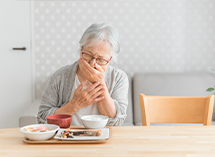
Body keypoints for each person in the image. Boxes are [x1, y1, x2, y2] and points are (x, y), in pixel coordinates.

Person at [37, 23, 129, 126]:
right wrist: (74, 105)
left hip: (102, 138)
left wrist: (100, 82)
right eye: (88, 55)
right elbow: (42, 118)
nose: (93, 64)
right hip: (67, 138)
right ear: (81, 50)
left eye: (101, 59)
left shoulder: (119, 78)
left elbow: (117, 121)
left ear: (110, 59)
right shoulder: (60, 76)